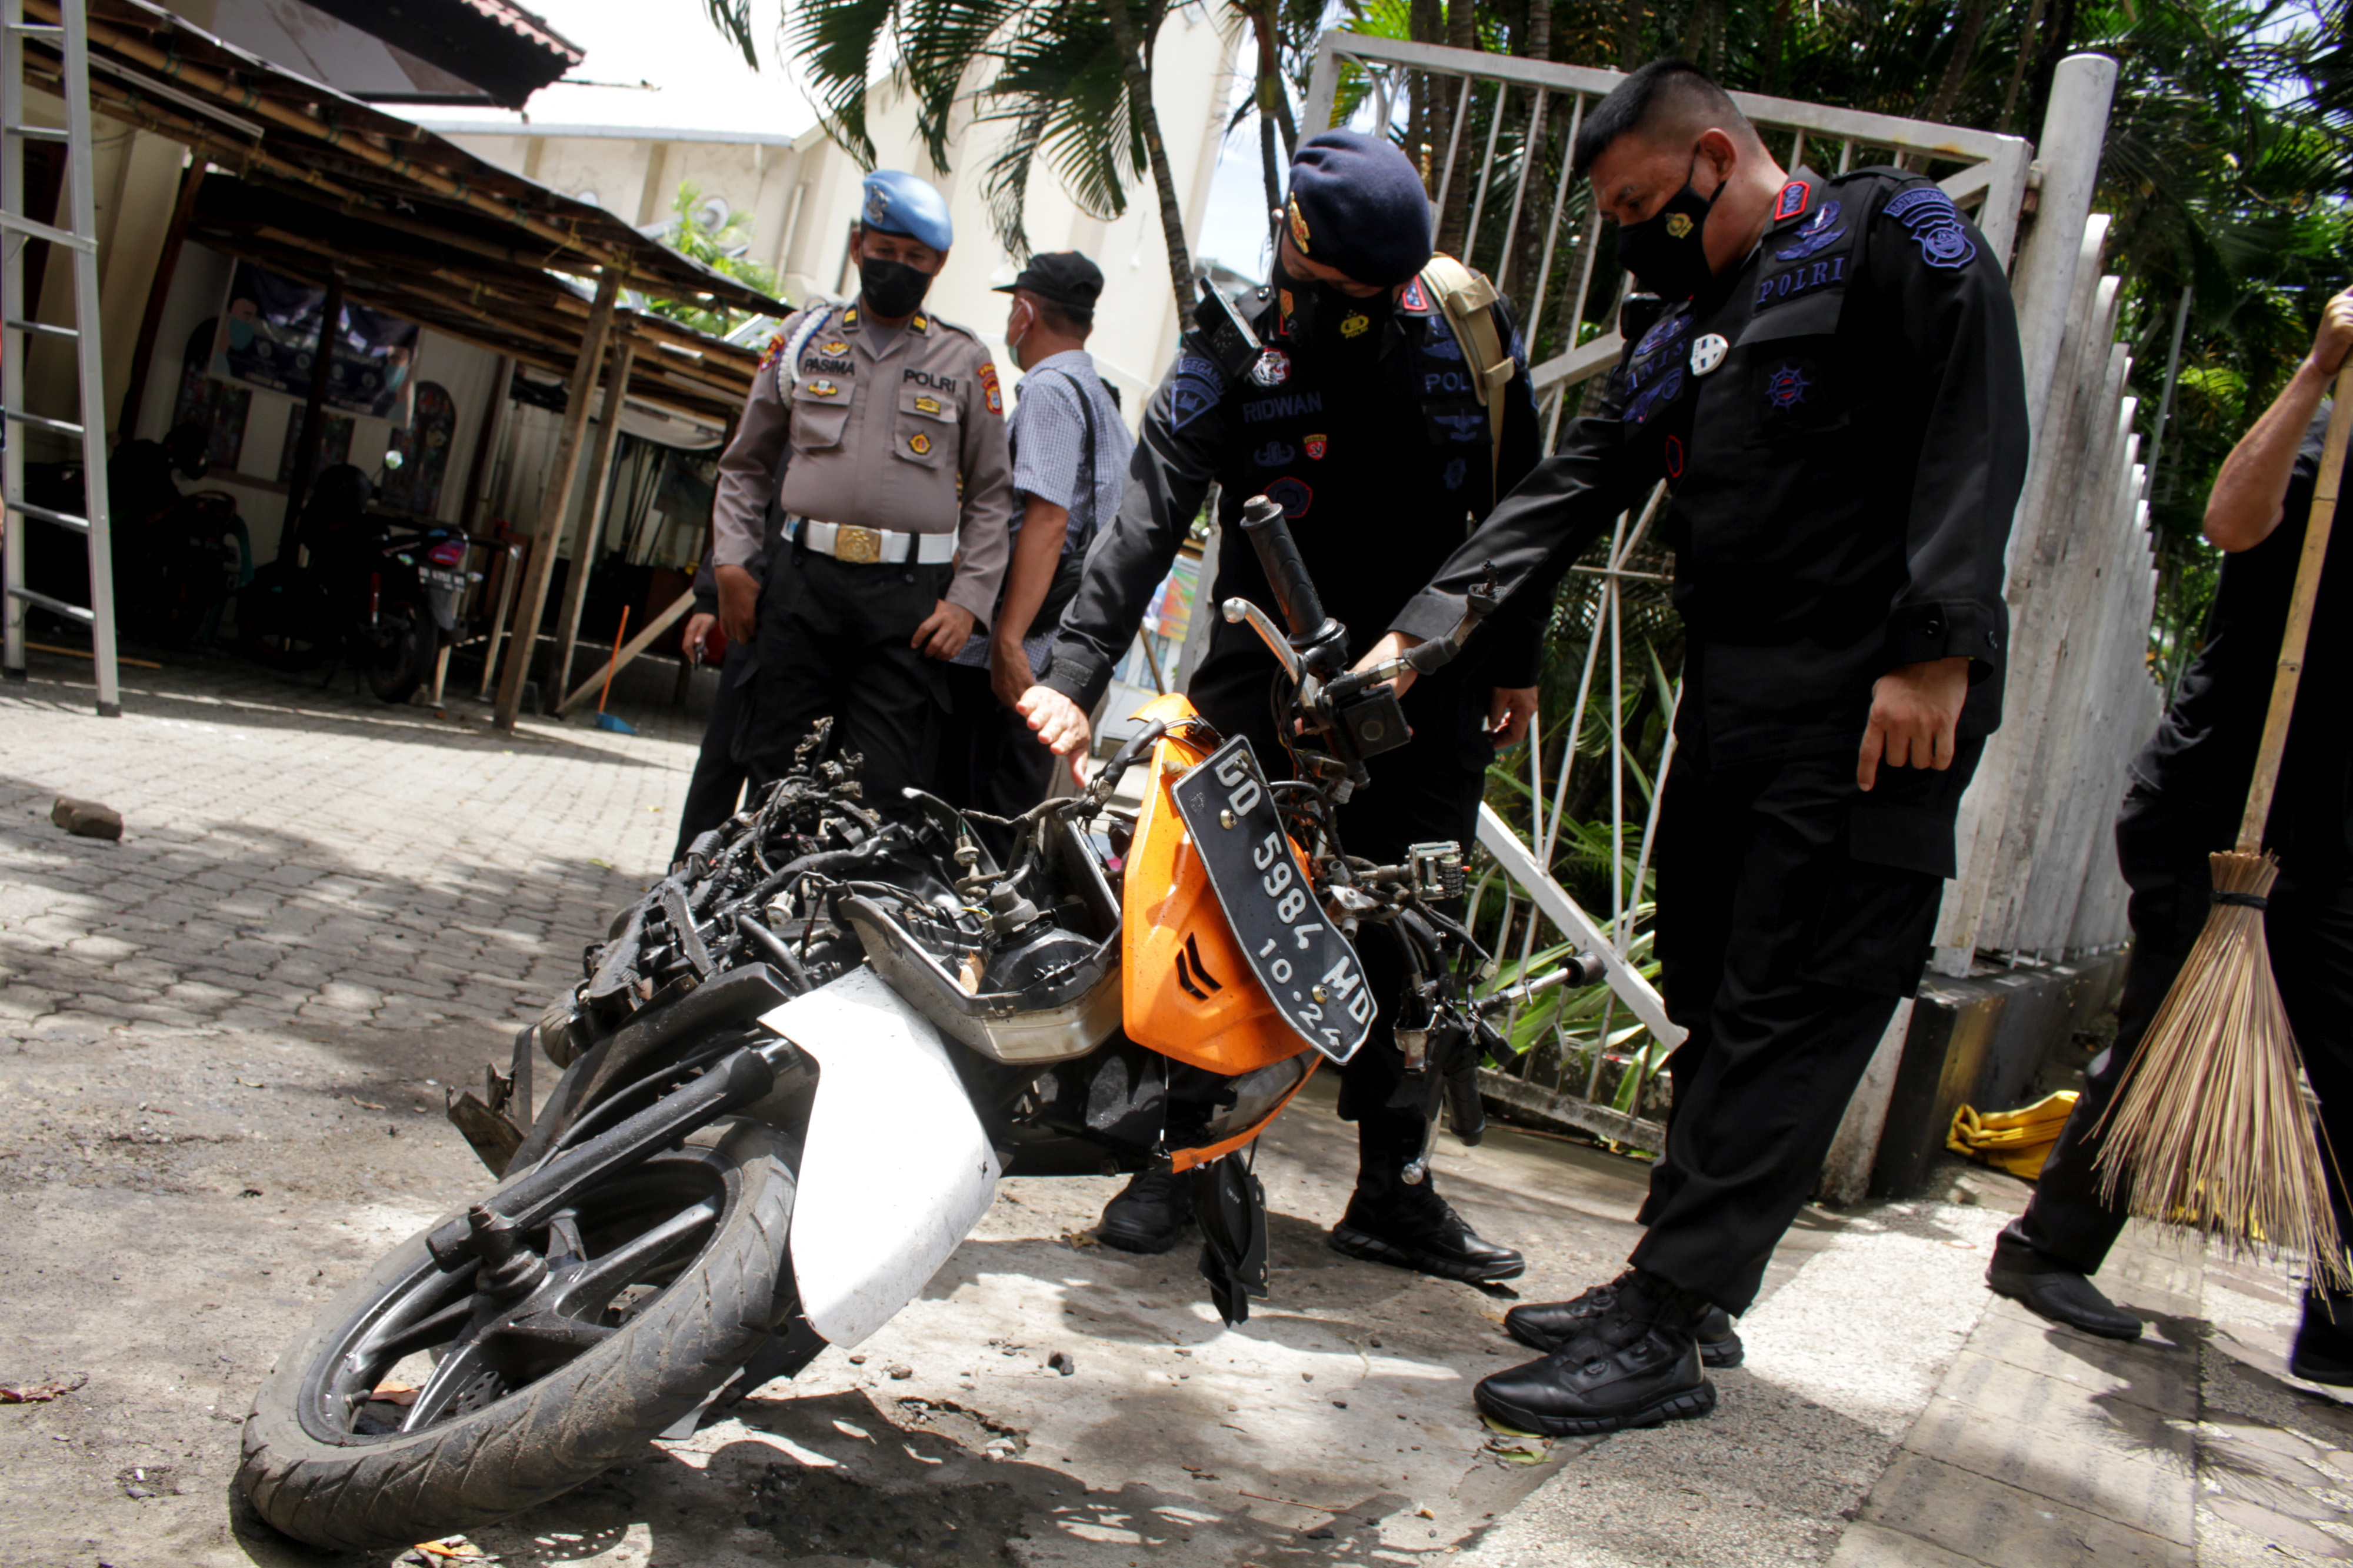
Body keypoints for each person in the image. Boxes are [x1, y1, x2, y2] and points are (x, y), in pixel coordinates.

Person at [1354, 60, 2030, 1433]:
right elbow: (1573, 486)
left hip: (1868, 696)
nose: (1627, 236)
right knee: (1717, 990)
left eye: (1636, 204)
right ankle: (1677, 1279)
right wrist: (1420, 633)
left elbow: (1973, 419)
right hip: (1738, 699)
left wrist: (1934, 647)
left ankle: (1664, 1322)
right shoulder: (1684, 328)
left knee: (1794, 1001)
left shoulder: (1883, 234)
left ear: (1715, 159)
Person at [1016, 129, 1548, 1283]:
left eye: (1377, 295)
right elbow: (1146, 519)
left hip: (1428, 695)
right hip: (1264, 692)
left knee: (1412, 937)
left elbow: (1520, 508)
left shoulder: (1467, 330)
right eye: (1333, 290)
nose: (1356, 313)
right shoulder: (1229, 350)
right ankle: (1185, 1158)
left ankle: (1394, 1188)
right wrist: (1073, 677)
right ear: (1289, 246)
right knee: (1223, 921)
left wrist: (1516, 659)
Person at [1986, 288, 2353, 1374]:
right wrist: (2318, 368)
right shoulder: (2327, 443)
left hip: (2327, 832)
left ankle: (2340, 1326)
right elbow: (2231, 523)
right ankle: (2044, 1250)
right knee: (2161, 1033)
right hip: (2222, 807)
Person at [708, 171, 1015, 816]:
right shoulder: (803, 340)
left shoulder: (965, 360)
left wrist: (968, 603)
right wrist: (732, 564)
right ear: (857, 246)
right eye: (885, 250)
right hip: (800, 587)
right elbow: (745, 465)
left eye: (916, 257)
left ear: (939, 264)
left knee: (880, 790)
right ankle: (770, 884)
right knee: (778, 775)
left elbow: (992, 495)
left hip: (907, 607)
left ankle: (852, 886)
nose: (898, 266)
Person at [935, 252, 1133, 860]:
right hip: (1057, 649)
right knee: (1006, 826)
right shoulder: (1103, 401)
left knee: (968, 829)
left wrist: (1008, 639)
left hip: (1019, 650)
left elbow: (1048, 520)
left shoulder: (1049, 391)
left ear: (1024, 312)